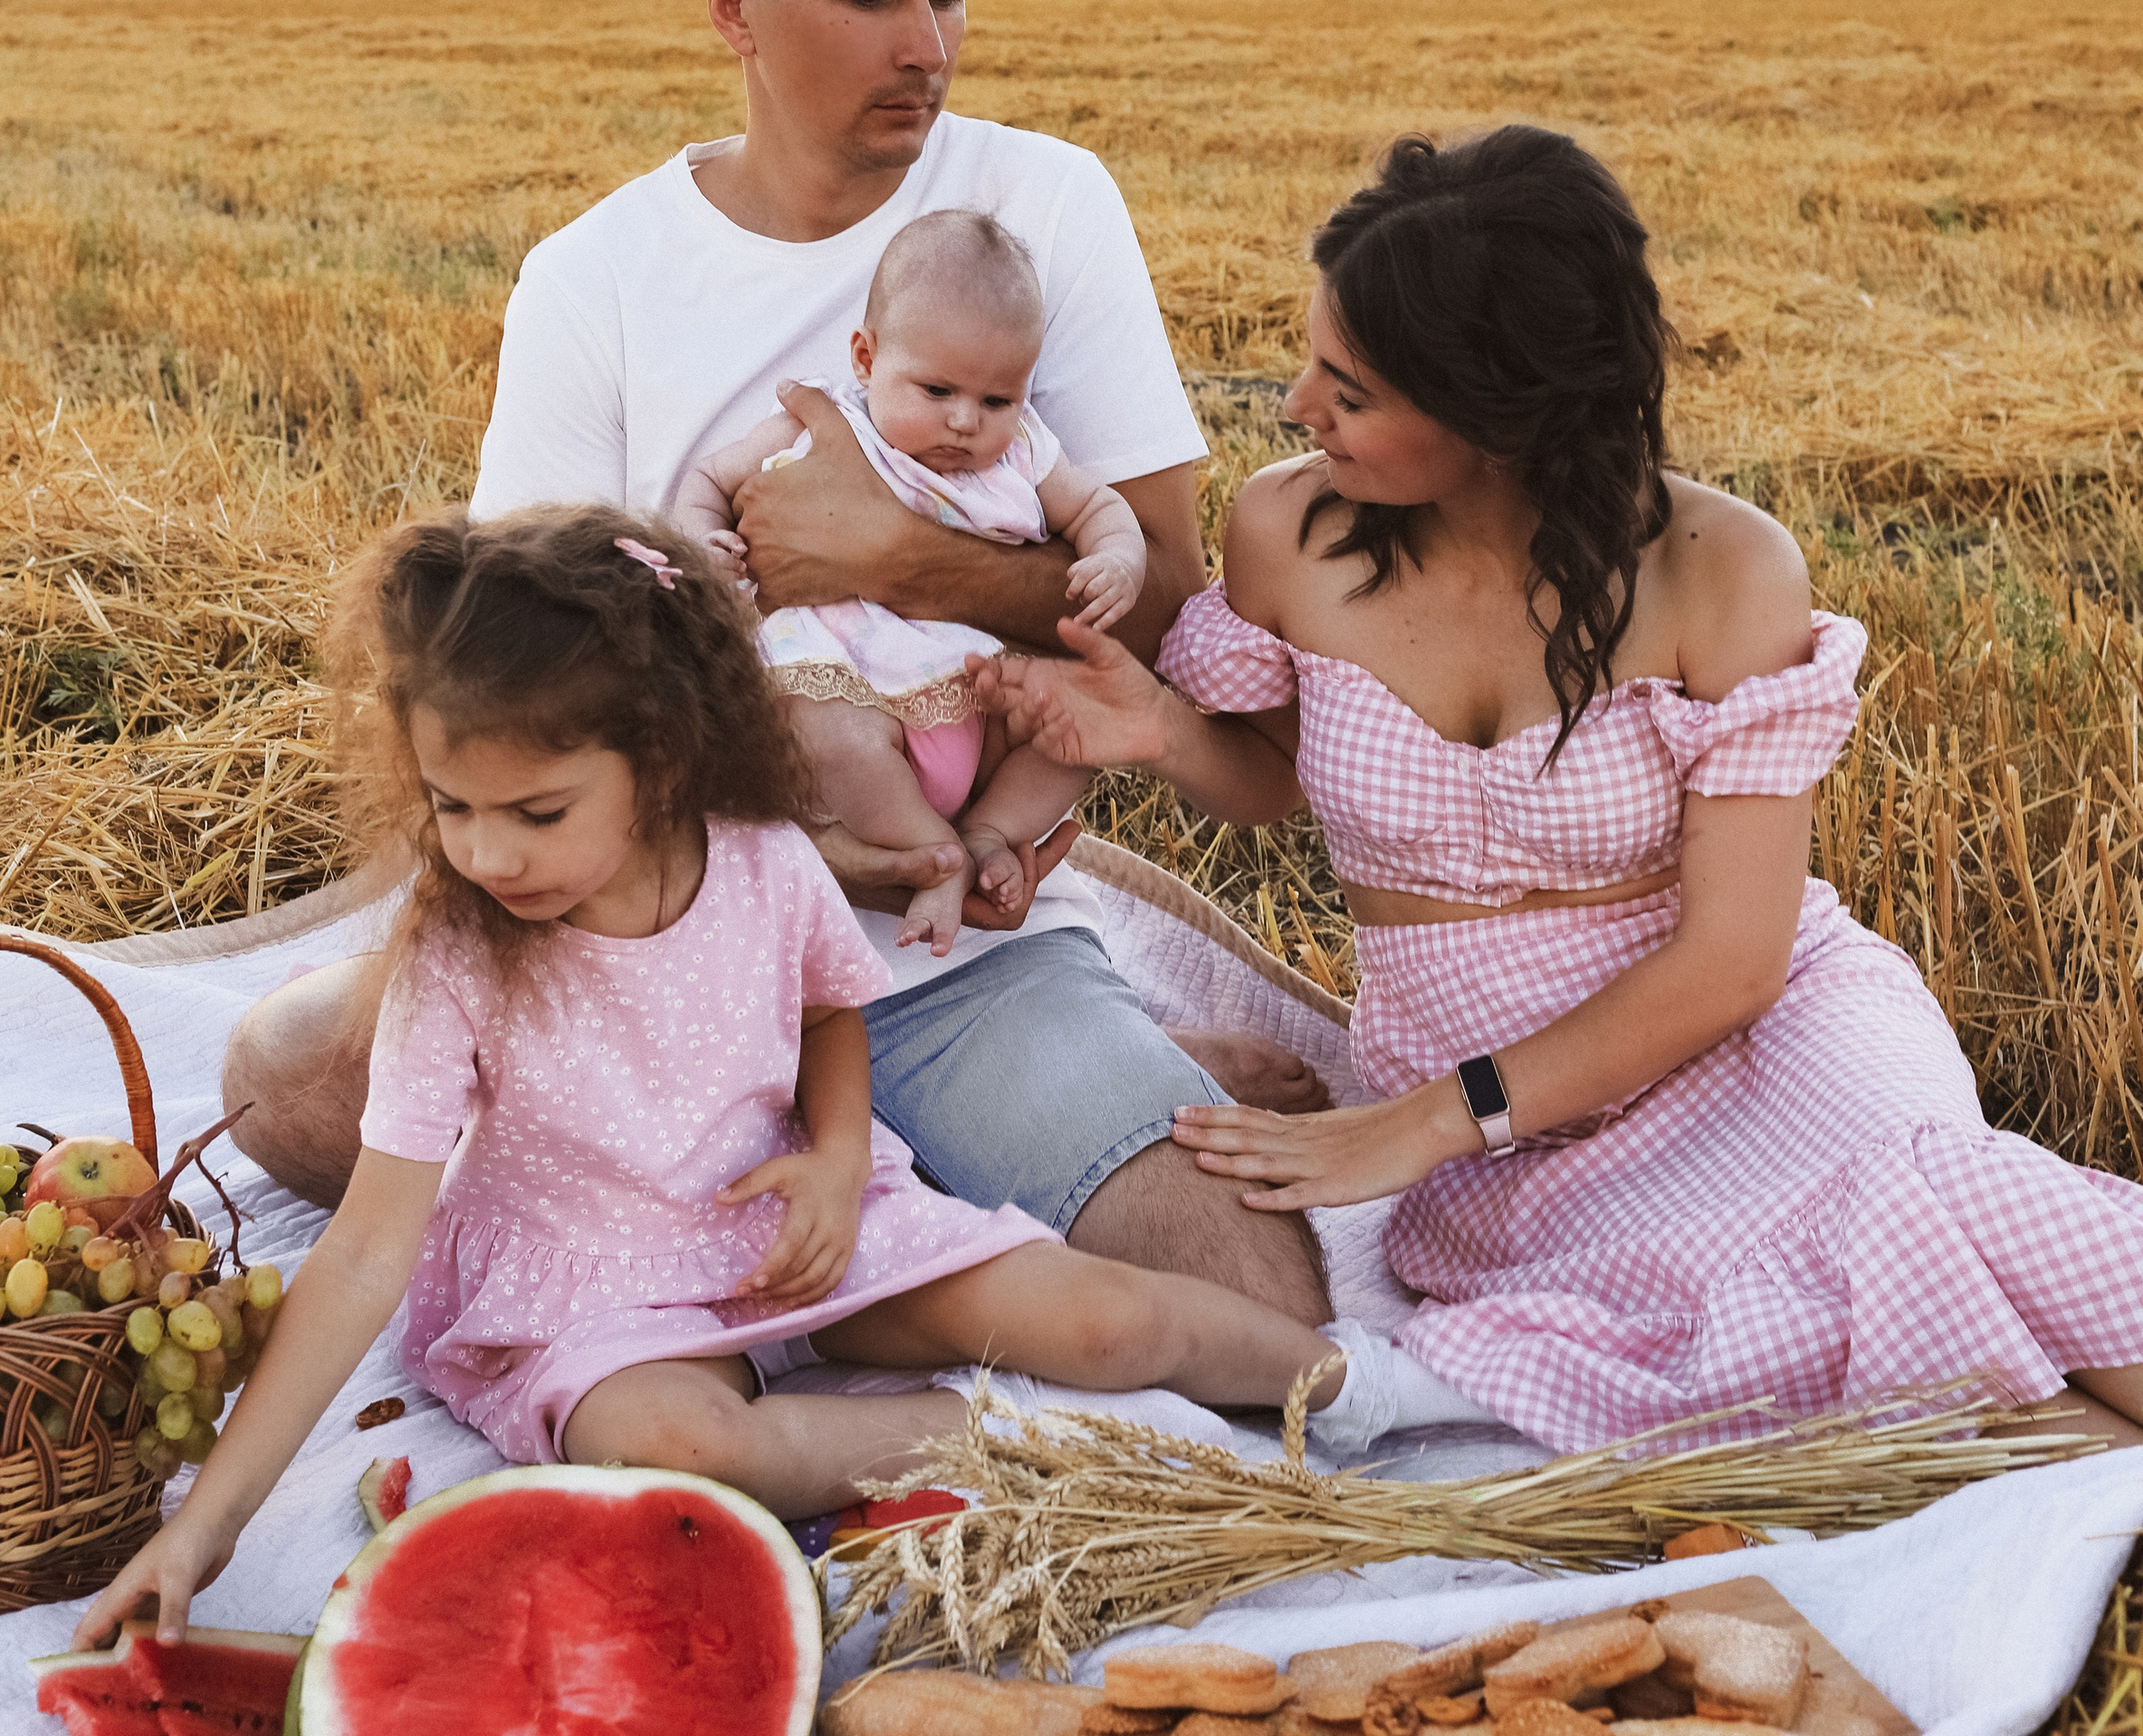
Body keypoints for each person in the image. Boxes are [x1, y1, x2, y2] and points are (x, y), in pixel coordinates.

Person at [221, 0, 1328, 1326]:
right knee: (282, 1084)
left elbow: (1168, 602)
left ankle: (904, 1156)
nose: (927, 44)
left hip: (952, 943)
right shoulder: (594, 280)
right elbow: (507, 674)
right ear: (734, 5)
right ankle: (902, 1192)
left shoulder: (1043, 206)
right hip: (661, 941)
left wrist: (906, 560)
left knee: (1256, 1293)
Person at [972, 124, 2143, 1453]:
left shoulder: (1721, 567)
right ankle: (2055, 1450)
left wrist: (1417, 1126)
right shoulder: (1288, 533)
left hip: (1753, 1039)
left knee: (1937, 1207)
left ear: (1496, 413)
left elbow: (1735, 960)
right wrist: (1165, 734)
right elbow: (1271, 783)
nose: (1296, 404)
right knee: (1737, 1336)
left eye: (1347, 391)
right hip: (1515, 1137)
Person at [75, 511, 1393, 1647]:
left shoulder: (760, 859)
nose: (487, 851)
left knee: (1117, 1320)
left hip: (786, 1219)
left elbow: (829, 1002)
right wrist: (208, 1526)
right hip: (589, 1271)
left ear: (660, 762)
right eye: (451, 804)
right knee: (688, 1449)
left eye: (536, 812)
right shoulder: (460, 945)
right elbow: (365, 1250)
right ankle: (1052, 1445)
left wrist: (832, 1156)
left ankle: (1371, 1392)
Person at [677, 208, 1147, 958]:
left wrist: (1116, 556)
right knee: (828, 739)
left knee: (1082, 723)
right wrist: (704, 540)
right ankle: (935, 856)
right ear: (866, 358)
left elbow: (1098, 507)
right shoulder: (829, 418)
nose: (967, 421)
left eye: (998, 400)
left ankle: (992, 830)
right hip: (851, 679)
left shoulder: (1024, 453)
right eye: (936, 390)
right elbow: (712, 476)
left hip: (981, 693)